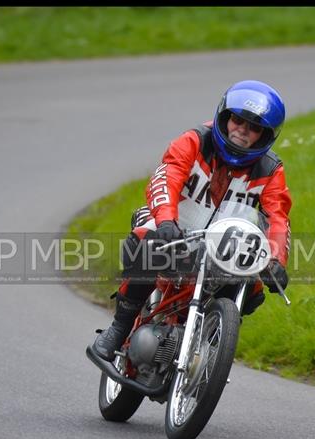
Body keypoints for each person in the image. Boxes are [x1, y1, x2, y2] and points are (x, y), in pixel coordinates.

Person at [91, 80, 292, 361]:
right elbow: (167, 177)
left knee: (254, 290)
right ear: (225, 117)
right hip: (173, 227)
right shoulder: (194, 140)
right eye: (237, 120)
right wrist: (165, 222)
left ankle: (213, 341)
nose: (242, 131)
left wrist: (276, 260)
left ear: (265, 135)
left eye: (254, 127)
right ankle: (120, 327)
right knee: (146, 245)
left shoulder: (270, 170)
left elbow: (278, 217)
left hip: (222, 247)